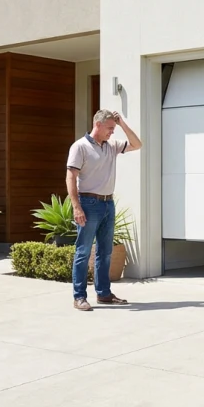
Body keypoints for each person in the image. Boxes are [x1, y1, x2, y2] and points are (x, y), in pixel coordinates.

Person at [66, 109, 142, 311]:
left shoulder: (112, 146)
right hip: (88, 204)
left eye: (114, 129)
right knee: (83, 251)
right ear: (97, 125)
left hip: (108, 204)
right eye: (110, 128)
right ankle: (79, 297)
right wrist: (76, 207)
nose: (112, 132)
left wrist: (122, 123)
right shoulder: (79, 147)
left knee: (105, 252)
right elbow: (71, 177)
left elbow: (137, 144)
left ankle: (104, 294)